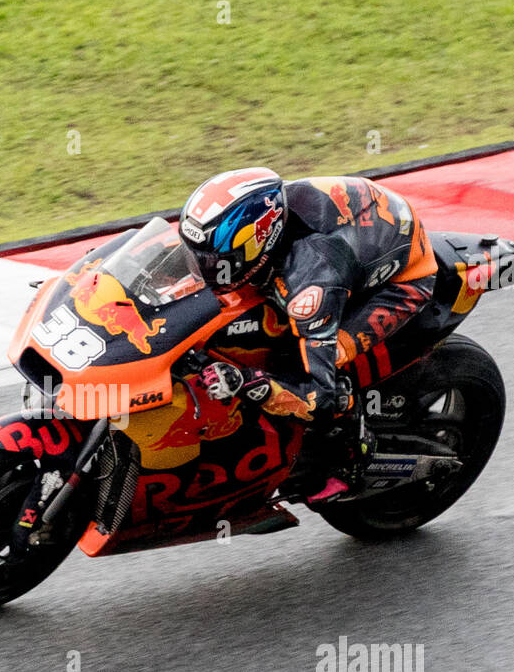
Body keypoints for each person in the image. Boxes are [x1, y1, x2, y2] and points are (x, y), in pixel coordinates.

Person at [177, 168, 437, 506]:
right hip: (359, 239)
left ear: (258, 247)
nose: (201, 271)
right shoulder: (270, 211)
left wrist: (246, 381)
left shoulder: (310, 287)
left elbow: (319, 399)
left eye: (213, 264)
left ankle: (351, 457)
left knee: (318, 366)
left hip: (402, 282)